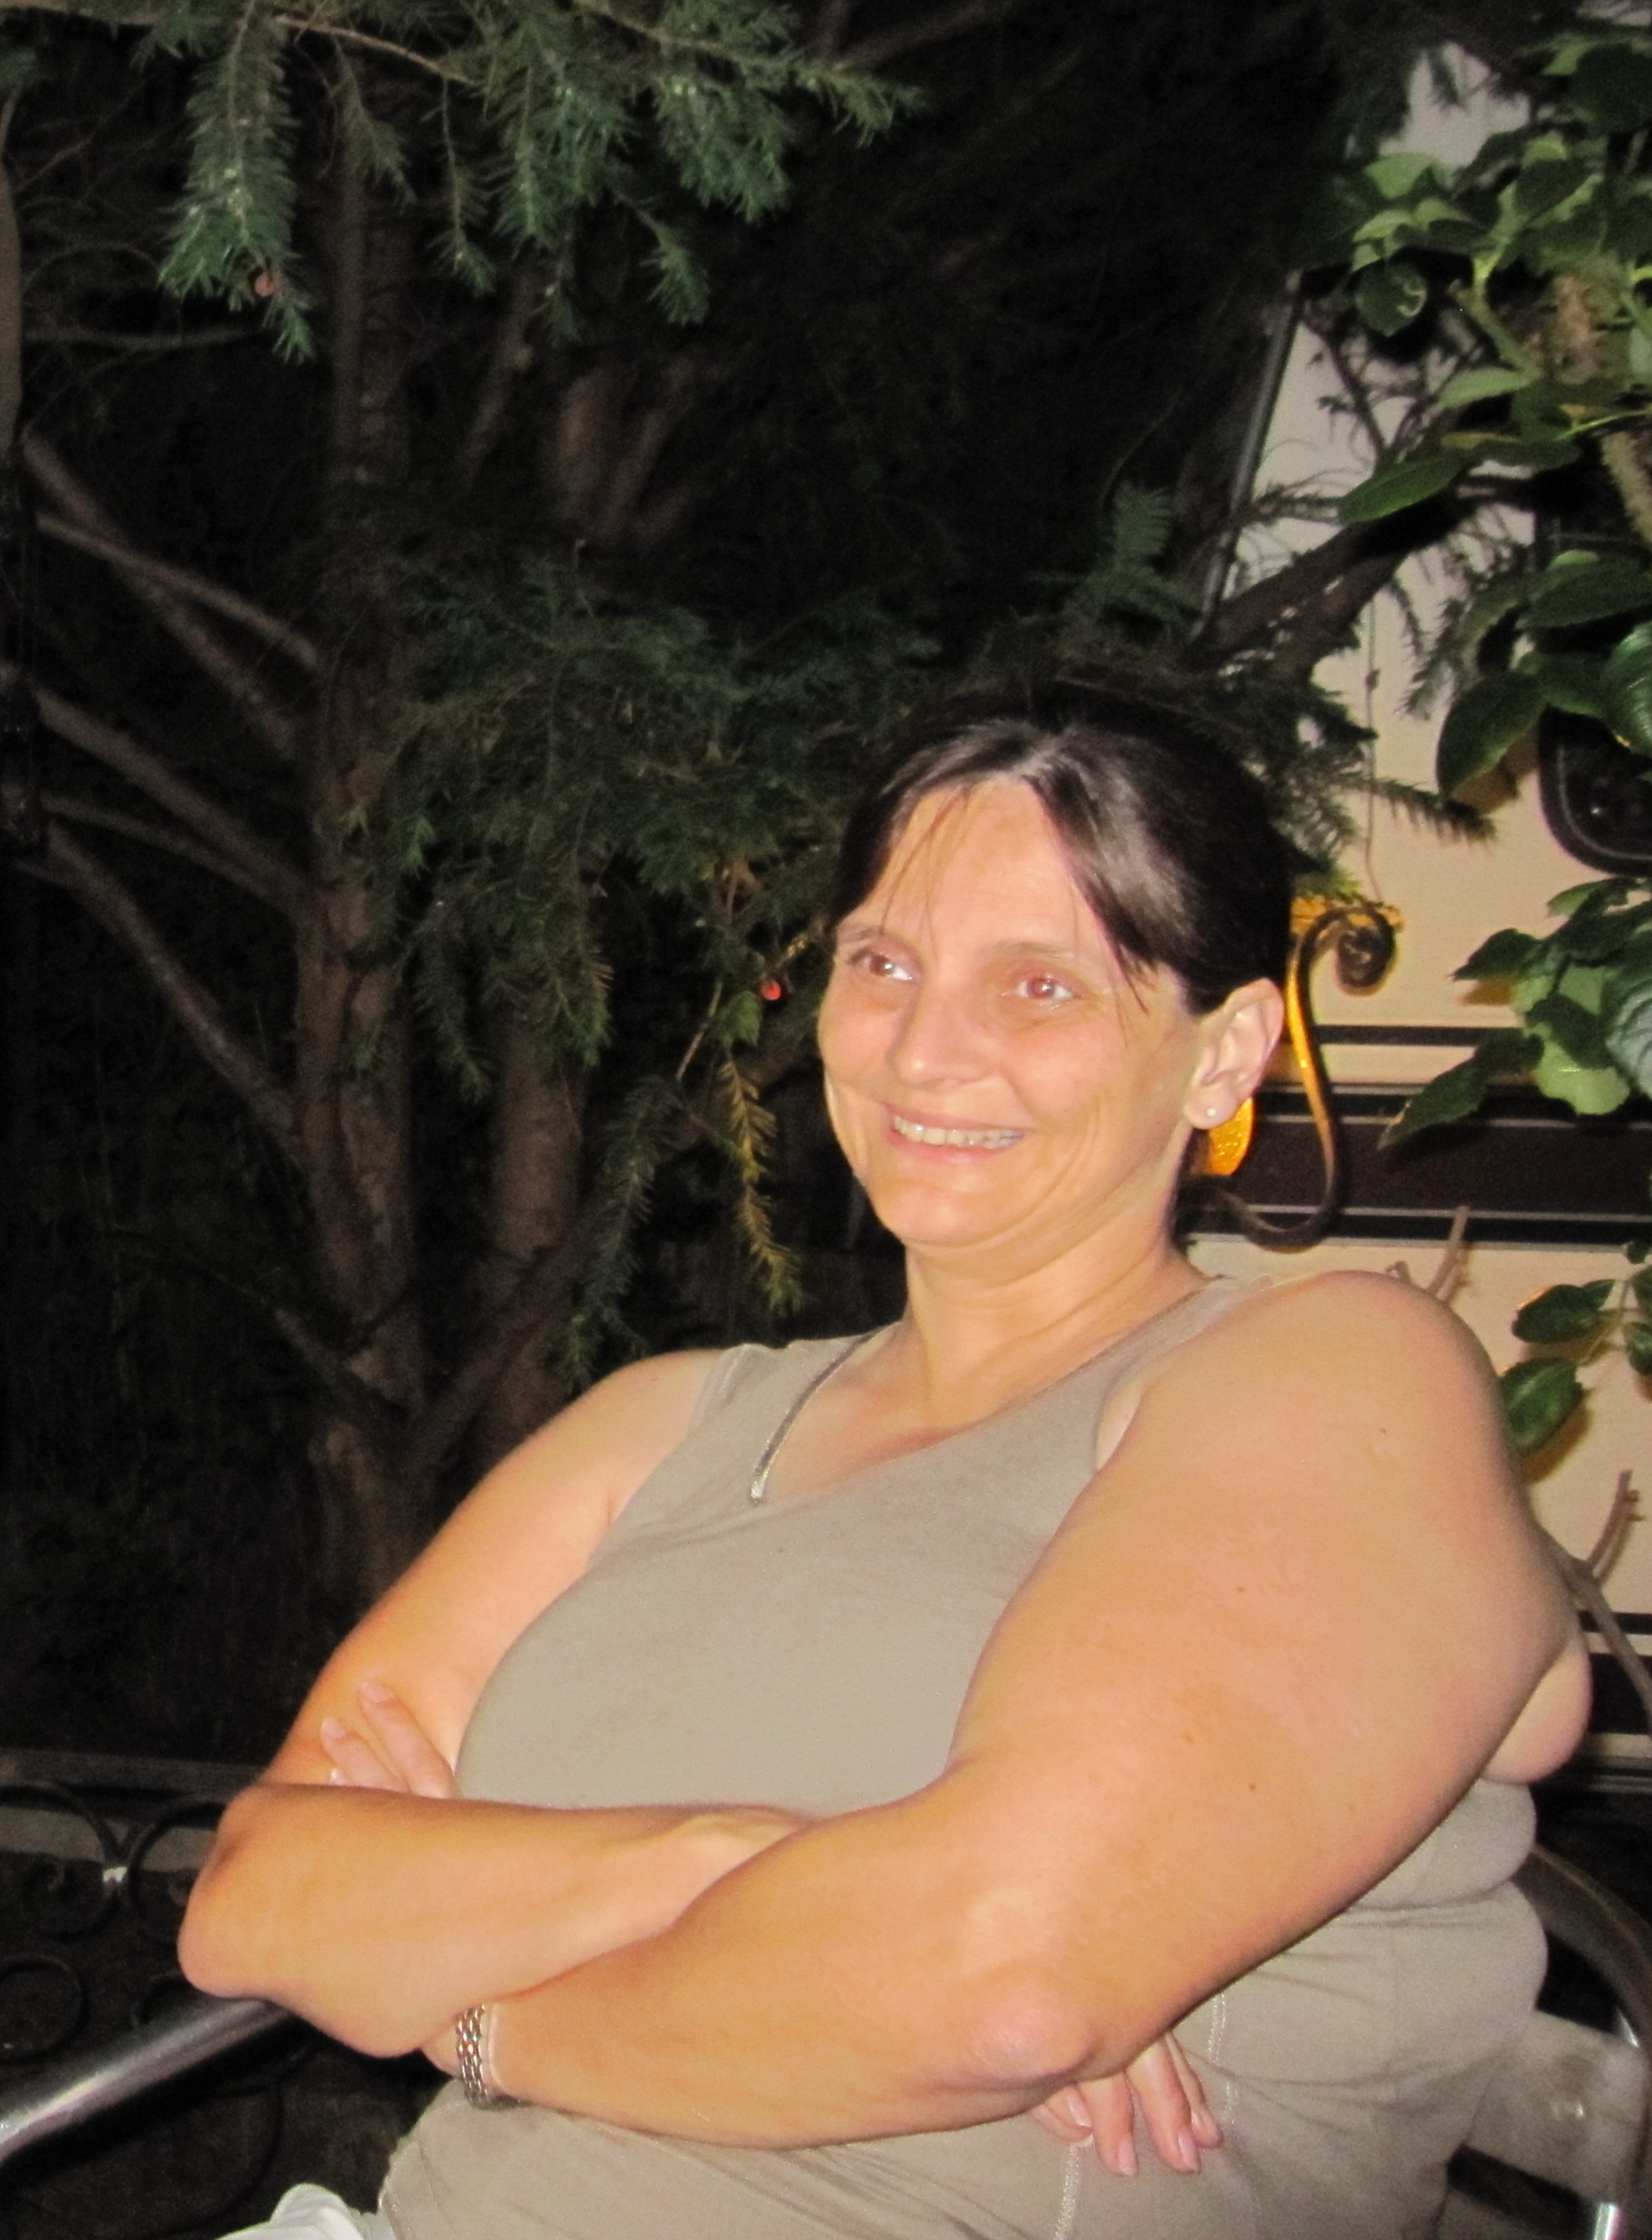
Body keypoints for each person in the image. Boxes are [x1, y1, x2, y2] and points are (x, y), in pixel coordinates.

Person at [178, 690, 1590, 2237]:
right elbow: (258, 1891)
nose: (926, 1050)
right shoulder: (667, 1422)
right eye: (884, 964)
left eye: (1039, 985)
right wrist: (728, 1860)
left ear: (1225, 1051)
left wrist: (478, 2022)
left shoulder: (1334, 1377)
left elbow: (997, 1980)